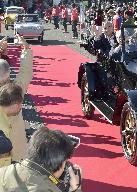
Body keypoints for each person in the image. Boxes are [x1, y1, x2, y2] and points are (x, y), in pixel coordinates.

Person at [0, 127, 82, 192]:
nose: (66, 167)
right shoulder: (46, 188)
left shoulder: (3, 171)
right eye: (65, 163)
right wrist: (75, 189)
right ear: (58, 165)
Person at [0, 35, 33, 164]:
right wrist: (25, 48)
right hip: (17, 150)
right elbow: (26, 71)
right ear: (9, 73)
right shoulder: (17, 89)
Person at [0, 83, 24, 167]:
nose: (21, 106)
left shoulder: (4, 115)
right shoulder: (3, 128)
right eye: (20, 104)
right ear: (14, 106)